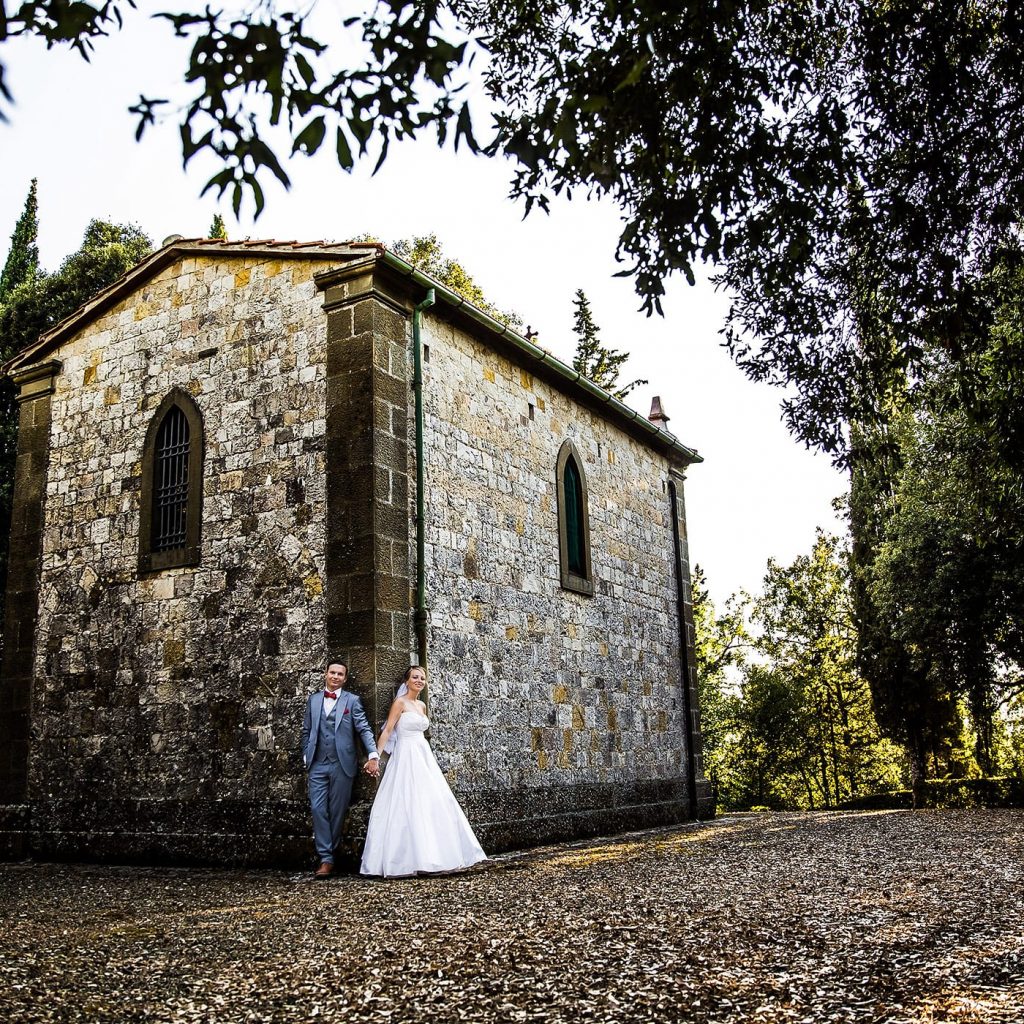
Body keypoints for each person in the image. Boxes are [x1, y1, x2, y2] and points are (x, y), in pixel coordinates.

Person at [360, 665, 487, 877]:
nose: (419, 680)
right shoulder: (399, 703)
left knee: (433, 801)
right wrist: (375, 758)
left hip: (423, 756)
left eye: (422, 678)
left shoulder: (421, 705)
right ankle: (403, 860)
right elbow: (388, 730)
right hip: (405, 755)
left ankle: (435, 856)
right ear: (407, 681)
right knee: (405, 800)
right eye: (415, 677)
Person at [300, 661, 380, 879]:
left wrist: (372, 754)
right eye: (332, 672)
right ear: (326, 674)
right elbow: (306, 730)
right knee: (317, 808)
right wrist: (306, 754)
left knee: (337, 811)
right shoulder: (314, 700)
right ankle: (326, 857)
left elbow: (363, 728)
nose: (335, 676)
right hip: (317, 763)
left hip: (342, 763)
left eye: (340, 674)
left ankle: (328, 857)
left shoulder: (351, 701)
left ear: (345, 678)